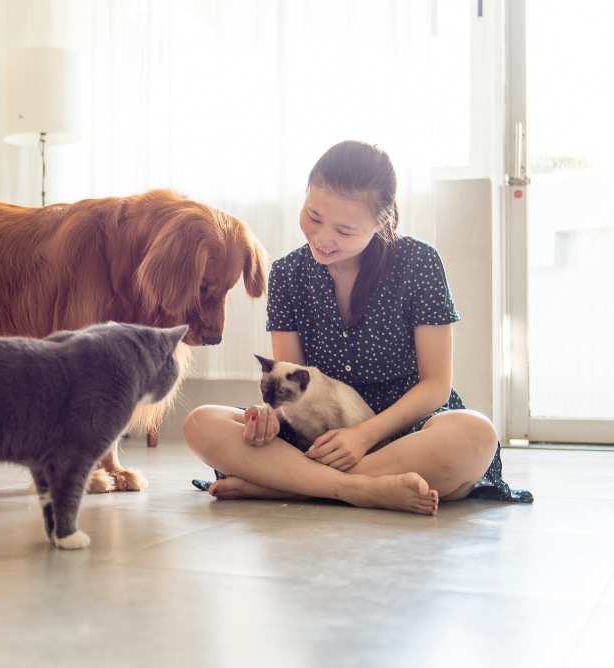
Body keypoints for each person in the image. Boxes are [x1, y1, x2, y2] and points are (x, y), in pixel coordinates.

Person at [184, 140, 532, 515]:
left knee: (474, 436)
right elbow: (294, 384)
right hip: (317, 433)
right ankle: (359, 488)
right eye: (313, 217)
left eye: (344, 230)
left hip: (405, 429)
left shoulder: (420, 262)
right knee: (201, 424)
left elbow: (435, 386)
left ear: (381, 221)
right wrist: (268, 419)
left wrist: (362, 436)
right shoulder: (287, 273)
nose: (322, 238)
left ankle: (295, 485)